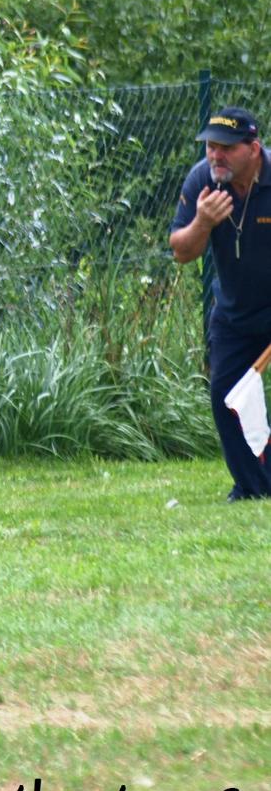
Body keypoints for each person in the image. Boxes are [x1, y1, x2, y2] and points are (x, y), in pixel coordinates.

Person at [169, 106, 271, 500]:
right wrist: (203, 222)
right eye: (211, 146)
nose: (216, 155)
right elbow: (181, 252)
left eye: (226, 148)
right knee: (226, 398)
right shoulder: (203, 181)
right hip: (234, 313)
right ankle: (252, 487)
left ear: (253, 149)